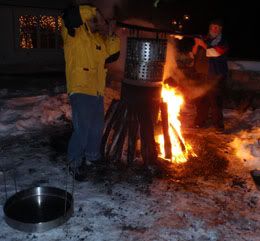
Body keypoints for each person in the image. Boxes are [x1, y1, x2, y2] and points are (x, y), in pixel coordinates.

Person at [62, 5, 120, 181]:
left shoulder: (97, 40)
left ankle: (92, 157)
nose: (98, 24)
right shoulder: (73, 33)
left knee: (96, 127)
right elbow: (71, 15)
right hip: (80, 88)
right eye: (96, 21)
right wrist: (95, 12)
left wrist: (111, 34)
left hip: (96, 90)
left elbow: (113, 55)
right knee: (83, 128)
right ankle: (74, 161)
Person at [192, 19, 229, 131]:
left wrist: (202, 44)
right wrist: (196, 44)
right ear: (209, 28)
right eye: (213, 26)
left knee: (216, 101)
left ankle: (218, 126)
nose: (214, 29)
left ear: (220, 29)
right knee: (201, 100)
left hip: (216, 75)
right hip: (203, 74)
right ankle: (200, 122)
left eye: (217, 27)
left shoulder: (223, 41)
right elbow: (194, 53)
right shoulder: (205, 39)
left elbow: (215, 53)